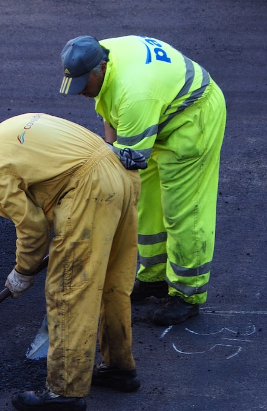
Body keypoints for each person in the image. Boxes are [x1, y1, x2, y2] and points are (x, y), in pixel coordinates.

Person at [0, 113, 142, 411]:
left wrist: (22, 271)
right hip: (119, 177)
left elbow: (32, 228)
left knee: (68, 290)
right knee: (112, 283)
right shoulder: (14, 126)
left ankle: (65, 390)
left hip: (89, 190)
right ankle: (120, 368)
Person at [59, 35, 227, 325]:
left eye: (83, 84)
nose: (79, 92)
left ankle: (187, 295)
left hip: (192, 117)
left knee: (183, 210)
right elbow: (110, 114)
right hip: (157, 114)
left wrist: (102, 200)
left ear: (100, 68)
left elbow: (129, 163)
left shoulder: (134, 92)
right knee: (146, 203)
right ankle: (154, 279)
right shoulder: (98, 56)